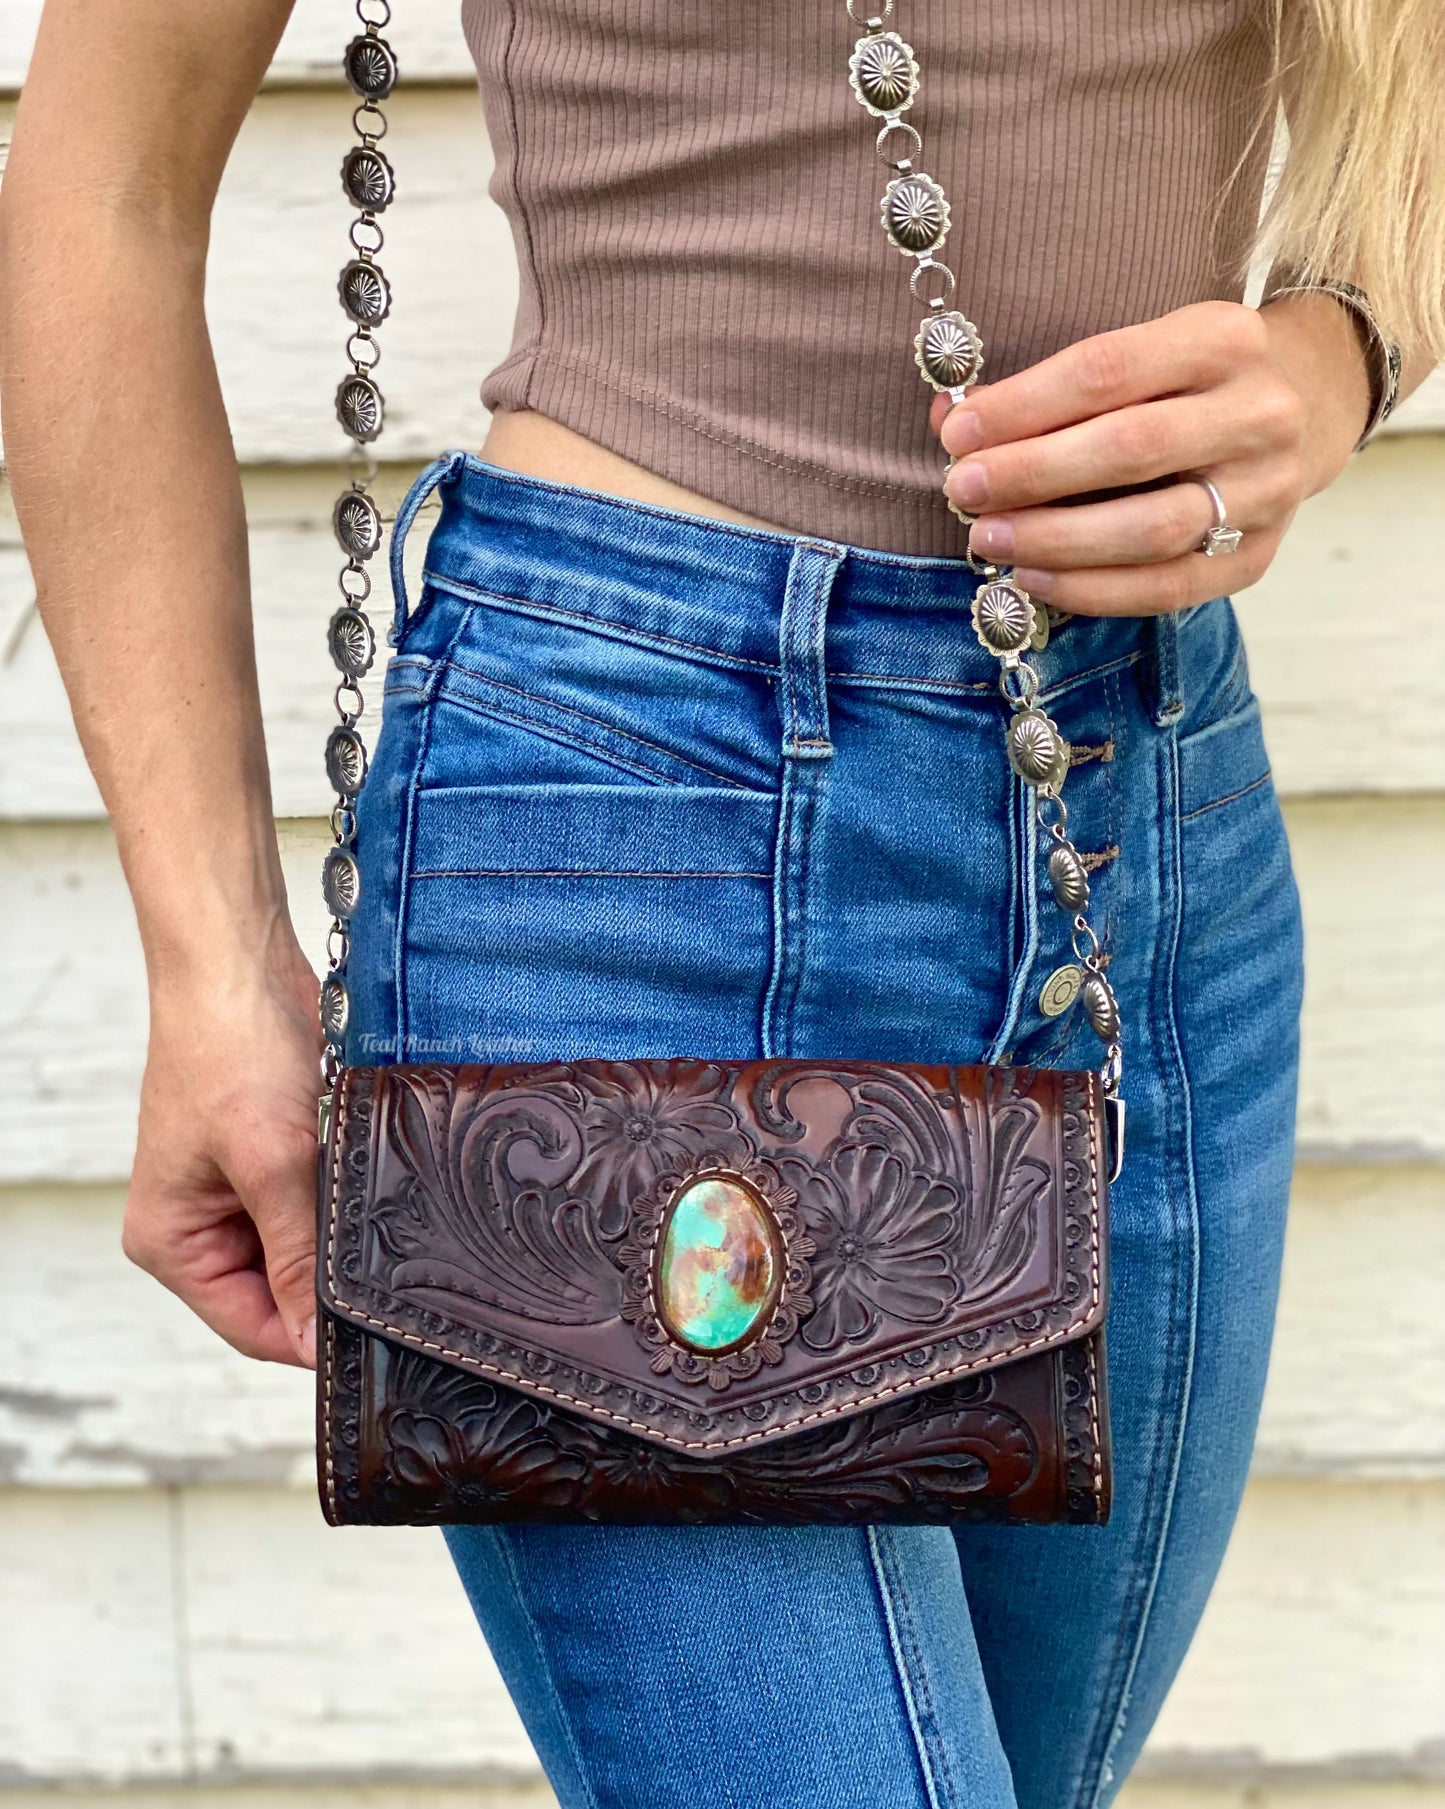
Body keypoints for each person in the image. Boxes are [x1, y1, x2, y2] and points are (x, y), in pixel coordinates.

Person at [1, 3, 1440, 1805]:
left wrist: (1343, 342)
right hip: (630, 833)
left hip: (1144, 809)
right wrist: (210, 959)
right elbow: (101, 181)